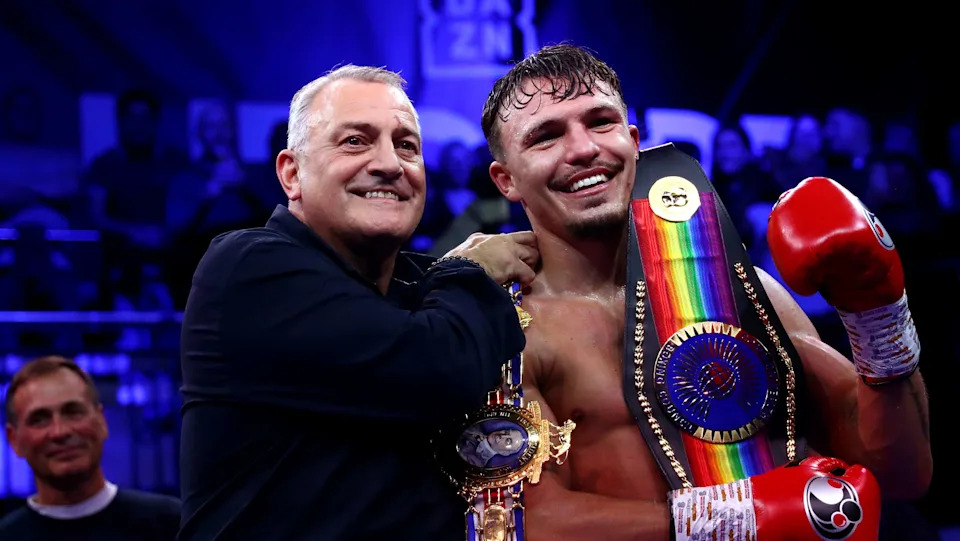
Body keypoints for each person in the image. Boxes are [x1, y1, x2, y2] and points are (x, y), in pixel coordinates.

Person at [477, 44, 932, 540]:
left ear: (633, 141)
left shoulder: (738, 287)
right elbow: (521, 524)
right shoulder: (508, 332)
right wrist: (740, 518)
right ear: (506, 180)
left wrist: (878, 318)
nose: (583, 148)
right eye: (546, 136)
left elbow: (904, 473)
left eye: (601, 122)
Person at [177, 64, 539, 539]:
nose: (390, 163)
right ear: (292, 174)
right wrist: (471, 271)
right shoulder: (247, 267)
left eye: (406, 145)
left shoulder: (426, 284)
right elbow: (437, 371)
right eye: (355, 141)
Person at [0, 355, 181, 540]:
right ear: (14, 440)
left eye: (73, 412)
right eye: (39, 419)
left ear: (102, 422)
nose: (60, 432)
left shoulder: (172, 523)